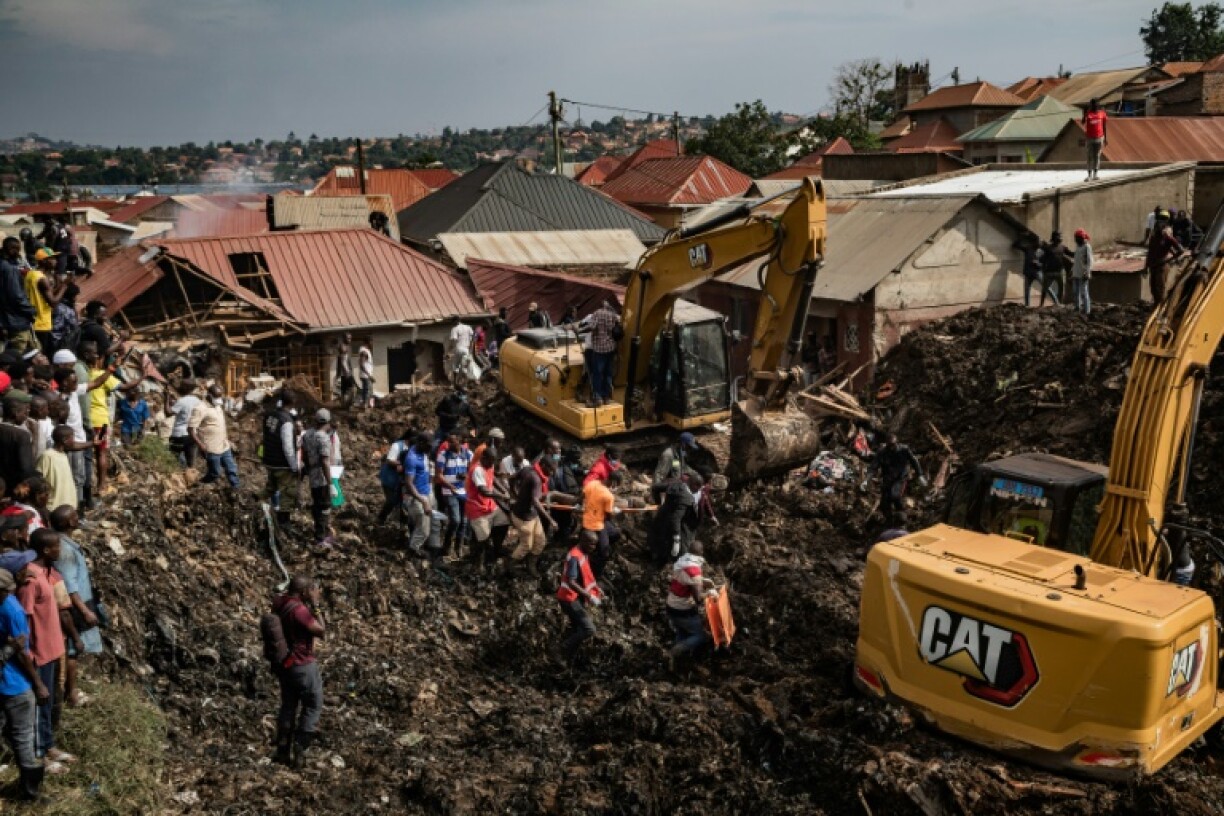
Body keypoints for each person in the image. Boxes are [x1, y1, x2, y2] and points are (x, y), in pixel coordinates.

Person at [17, 529, 76, 773]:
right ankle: (40, 755)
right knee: (40, 704)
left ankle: (48, 745)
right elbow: (25, 619)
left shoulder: (47, 573)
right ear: (45, 550)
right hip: (39, 652)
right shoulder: (31, 581)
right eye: (56, 547)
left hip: (52, 648)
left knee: (49, 701)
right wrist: (29, 653)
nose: (59, 551)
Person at [0, 559, 49, 801]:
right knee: (23, 738)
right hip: (14, 685)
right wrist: (38, 684)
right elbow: (23, 653)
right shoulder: (13, 610)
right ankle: (31, 793)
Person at [271, 576, 325, 769]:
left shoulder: (280, 603)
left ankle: (282, 750)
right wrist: (316, 604)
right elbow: (322, 631)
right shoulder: (300, 611)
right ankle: (300, 751)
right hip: (303, 665)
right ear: (304, 592)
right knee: (313, 704)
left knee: (288, 705)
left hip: (286, 664)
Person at [51, 505, 102, 709]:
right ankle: (71, 694)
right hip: (75, 605)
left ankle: (70, 690)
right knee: (73, 649)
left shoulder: (64, 544)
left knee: (74, 649)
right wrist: (85, 611)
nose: (77, 518)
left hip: (78, 602)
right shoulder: (64, 551)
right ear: (70, 523)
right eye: (74, 516)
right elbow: (70, 586)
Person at [83, 344, 143, 496]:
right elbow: (125, 386)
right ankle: (102, 486)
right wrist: (143, 377)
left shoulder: (83, 374)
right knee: (101, 453)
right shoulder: (103, 375)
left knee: (86, 454)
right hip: (101, 421)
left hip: (85, 419)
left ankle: (87, 487)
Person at [666, 540, 716, 662]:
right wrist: (709, 593)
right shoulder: (694, 570)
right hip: (682, 609)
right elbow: (698, 599)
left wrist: (703, 580)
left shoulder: (682, 561)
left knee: (682, 631)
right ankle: (675, 651)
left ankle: (677, 662)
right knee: (700, 636)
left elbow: (685, 579)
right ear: (701, 553)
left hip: (671, 605)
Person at [557, 531, 601, 662]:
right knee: (589, 629)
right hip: (568, 598)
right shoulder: (575, 557)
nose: (593, 547)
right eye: (591, 544)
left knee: (578, 627)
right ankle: (562, 649)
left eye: (595, 544)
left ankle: (568, 657)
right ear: (583, 540)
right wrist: (589, 596)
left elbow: (585, 576)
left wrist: (596, 588)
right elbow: (571, 582)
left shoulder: (582, 553)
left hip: (576, 597)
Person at [464, 447, 512, 568]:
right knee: (483, 538)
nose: (492, 464)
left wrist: (503, 489)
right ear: (483, 458)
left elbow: (493, 478)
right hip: (477, 509)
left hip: (490, 505)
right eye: (490, 461)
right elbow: (483, 491)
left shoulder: (488, 465)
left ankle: (496, 549)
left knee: (504, 521)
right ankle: (478, 563)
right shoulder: (477, 470)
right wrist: (501, 496)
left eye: (494, 461)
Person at [863, 433, 926, 524]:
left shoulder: (904, 450)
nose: (892, 448)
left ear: (897, 443)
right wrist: (867, 479)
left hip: (900, 478)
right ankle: (889, 521)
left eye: (893, 445)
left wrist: (920, 475)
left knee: (895, 496)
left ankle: (902, 520)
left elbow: (914, 461)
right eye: (890, 446)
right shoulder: (882, 453)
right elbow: (874, 466)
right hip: (887, 478)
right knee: (884, 503)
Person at [509, 455, 556, 573]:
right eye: (550, 469)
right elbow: (535, 501)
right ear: (543, 466)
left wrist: (515, 493)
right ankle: (509, 566)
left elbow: (512, 478)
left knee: (540, 542)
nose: (552, 473)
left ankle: (530, 565)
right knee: (526, 546)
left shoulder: (528, 469)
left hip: (532, 515)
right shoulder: (536, 479)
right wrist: (550, 520)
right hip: (524, 517)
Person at [260, 392, 300, 528]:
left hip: (269, 459)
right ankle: (284, 521)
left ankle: (257, 502)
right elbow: (288, 446)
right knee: (288, 492)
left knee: (271, 486)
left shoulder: (269, 415)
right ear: (292, 404)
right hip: (282, 463)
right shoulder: (286, 421)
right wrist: (294, 466)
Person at [190, 384, 239, 489]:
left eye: (220, 396)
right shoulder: (200, 408)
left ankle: (236, 490)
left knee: (232, 469)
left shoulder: (217, 406)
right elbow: (191, 429)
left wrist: (228, 440)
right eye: (216, 397)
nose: (219, 399)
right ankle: (198, 485)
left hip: (224, 445)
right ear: (209, 395)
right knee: (215, 473)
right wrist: (200, 445)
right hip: (211, 448)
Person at [649, 473, 701, 566]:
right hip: (674, 525)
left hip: (662, 518)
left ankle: (659, 561)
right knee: (677, 549)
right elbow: (676, 518)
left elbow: (656, 487)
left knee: (660, 543)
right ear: (694, 485)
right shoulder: (686, 498)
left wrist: (659, 504)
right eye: (698, 487)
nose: (698, 490)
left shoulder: (676, 485)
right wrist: (677, 538)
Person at [435, 432, 472, 558]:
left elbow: (473, 471)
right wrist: (450, 486)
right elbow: (439, 475)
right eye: (448, 441)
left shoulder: (468, 454)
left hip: (464, 491)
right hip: (449, 491)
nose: (449, 444)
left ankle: (458, 547)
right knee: (455, 520)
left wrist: (466, 476)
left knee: (464, 521)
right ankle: (447, 545)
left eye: (452, 442)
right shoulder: (443, 455)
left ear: (460, 441)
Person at [301, 410, 334, 546]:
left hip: (312, 475)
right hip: (321, 477)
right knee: (324, 507)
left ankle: (320, 531)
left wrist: (308, 467)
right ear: (328, 421)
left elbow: (304, 454)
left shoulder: (307, 434)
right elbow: (325, 461)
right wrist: (330, 483)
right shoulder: (323, 438)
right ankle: (321, 537)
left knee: (316, 505)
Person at [582, 468, 623, 578]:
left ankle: (603, 544)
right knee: (604, 553)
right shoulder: (608, 495)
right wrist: (615, 512)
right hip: (596, 524)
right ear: (613, 483)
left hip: (587, 518)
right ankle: (596, 574)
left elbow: (582, 496)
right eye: (617, 485)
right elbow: (608, 516)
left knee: (616, 534)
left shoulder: (592, 483)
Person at [25, 249, 67, 356]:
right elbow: (53, 302)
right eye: (52, 259)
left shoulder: (31, 274)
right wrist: (65, 286)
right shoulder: (41, 279)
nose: (55, 261)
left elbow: (46, 293)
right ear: (43, 261)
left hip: (33, 321)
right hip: (41, 322)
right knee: (42, 355)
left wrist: (59, 283)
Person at [402, 433, 437, 557]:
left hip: (427, 492)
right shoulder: (412, 458)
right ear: (421, 443)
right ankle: (412, 551)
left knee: (425, 524)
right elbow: (409, 484)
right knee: (423, 530)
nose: (430, 449)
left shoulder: (423, 452)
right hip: (417, 497)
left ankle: (417, 545)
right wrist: (423, 501)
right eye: (428, 446)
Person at [0, 237, 36, 354]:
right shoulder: (9, 269)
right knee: (20, 356)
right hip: (16, 322)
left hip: (6, 320)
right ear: (11, 249)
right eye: (17, 249)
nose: (18, 253)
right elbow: (16, 296)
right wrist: (31, 310)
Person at [584, 301, 619, 406]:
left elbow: (592, 327)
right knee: (608, 373)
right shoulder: (612, 315)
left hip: (599, 349)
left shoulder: (597, 313)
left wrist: (579, 330)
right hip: (611, 347)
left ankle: (597, 397)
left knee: (598, 373)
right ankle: (606, 397)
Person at [0, 392, 35, 496]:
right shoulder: (21, 435)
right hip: (14, 486)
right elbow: (26, 467)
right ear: (15, 414)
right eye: (24, 413)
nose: (26, 417)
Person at [35, 426, 76, 514]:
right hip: (54, 506)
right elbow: (39, 478)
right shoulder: (47, 456)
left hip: (67, 504)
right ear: (65, 440)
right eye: (72, 437)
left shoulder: (63, 455)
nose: (74, 441)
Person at [377, 428, 412, 525]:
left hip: (402, 480)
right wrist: (400, 464)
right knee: (391, 500)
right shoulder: (397, 445)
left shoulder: (413, 448)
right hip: (390, 478)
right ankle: (381, 518)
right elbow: (389, 460)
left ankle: (400, 523)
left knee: (402, 503)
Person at [1145, 224, 1185, 306]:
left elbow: (1181, 250)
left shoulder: (1167, 238)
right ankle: (1156, 305)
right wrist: (1146, 266)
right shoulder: (1153, 238)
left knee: (1160, 287)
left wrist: (1171, 259)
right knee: (1153, 287)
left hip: (1162, 265)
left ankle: (1161, 306)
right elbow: (1150, 252)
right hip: (1153, 266)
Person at [166, 380, 200, 467]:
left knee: (174, 461)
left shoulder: (182, 401)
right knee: (191, 464)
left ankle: (181, 474)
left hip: (179, 435)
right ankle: (190, 477)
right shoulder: (198, 401)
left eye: (181, 385)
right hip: (193, 435)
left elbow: (168, 413)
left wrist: (166, 398)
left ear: (184, 388)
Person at [1013, 235, 1043, 308]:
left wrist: (1038, 264)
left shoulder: (1041, 251)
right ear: (1034, 242)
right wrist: (1022, 237)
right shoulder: (1028, 248)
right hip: (1028, 273)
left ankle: (1056, 302)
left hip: (1037, 272)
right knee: (1027, 291)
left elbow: (1045, 263)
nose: (1039, 244)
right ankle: (1027, 306)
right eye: (1038, 242)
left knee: (1047, 287)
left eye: (1040, 243)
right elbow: (1015, 245)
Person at [1081, 98, 1107, 181]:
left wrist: (1106, 138)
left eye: (1096, 104)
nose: (1095, 106)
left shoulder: (1102, 114)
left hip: (1099, 138)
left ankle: (1095, 174)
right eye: (1093, 104)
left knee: (1097, 156)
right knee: (1089, 156)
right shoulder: (1088, 113)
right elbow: (1082, 122)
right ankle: (1089, 175)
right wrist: (1084, 114)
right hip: (1089, 138)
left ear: (1098, 105)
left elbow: (1104, 126)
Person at [1038, 231, 1066, 306]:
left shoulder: (1062, 247)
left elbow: (1071, 254)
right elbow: (1041, 259)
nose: (1060, 238)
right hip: (1049, 272)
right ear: (1054, 238)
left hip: (1059, 272)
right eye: (1059, 236)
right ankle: (1041, 305)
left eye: (1061, 236)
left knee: (1061, 289)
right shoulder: (1048, 248)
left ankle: (1059, 304)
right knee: (1045, 289)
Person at [1071, 229, 1094, 315]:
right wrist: (1072, 271)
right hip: (1076, 272)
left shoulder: (1087, 247)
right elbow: (1076, 260)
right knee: (1075, 291)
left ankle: (1087, 310)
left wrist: (1087, 272)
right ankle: (1077, 307)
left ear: (1081, 238)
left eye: (1077, 238)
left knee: (1084, 292)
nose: (1075, 239)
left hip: (1083, 273)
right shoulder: (1078, 246)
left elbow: (1090, 261)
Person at [448, 321, 474, 385]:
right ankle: (465, 384)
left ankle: (454, 383)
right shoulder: (468, 327)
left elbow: (453, 340)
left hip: (458, 349)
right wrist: (470, 350)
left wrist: (449, 350)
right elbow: (472, 339)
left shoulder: (455, 328)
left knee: (455, 366)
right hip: (466, 349)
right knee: (464, 368)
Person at [335, 333, 354, 407]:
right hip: (346, 373)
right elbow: (342, 362)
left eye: (350, 338)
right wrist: (347, 372)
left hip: (345, 373)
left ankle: (344, 404)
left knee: (344, 390)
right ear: (344, 338)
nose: (350, 340)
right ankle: (348, 404)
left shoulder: (348, 347)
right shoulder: (343, 347)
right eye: (348, 338)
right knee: (351, 389)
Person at [356, 341, 374, 409]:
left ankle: (366, 405)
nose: (372, 344)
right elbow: (361, 365)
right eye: (371, 342)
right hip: (365, 376)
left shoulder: (365, 351)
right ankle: (365, 407)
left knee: (366, 391)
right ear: (368, 342)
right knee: (366, 391)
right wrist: (369, 376)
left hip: (366, 375)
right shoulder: (364, 352)